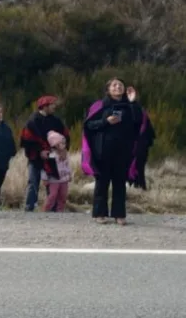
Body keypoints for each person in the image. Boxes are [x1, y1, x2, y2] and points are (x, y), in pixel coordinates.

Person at [82, 78, 145, 225]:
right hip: (103, 150)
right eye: (114, 85)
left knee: (119, 183)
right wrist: (106, 121)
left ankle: (119, 214)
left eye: (121, 85)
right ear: (108, 89)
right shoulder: (100, 106)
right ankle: (99, 213)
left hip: (123, 151)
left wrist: (133, 102)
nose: (118, 87)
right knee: (102, 183)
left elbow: (140, 123)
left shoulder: (130, 106)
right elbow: (89, 125)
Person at [19, 95, 70, 212]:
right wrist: (39, 151)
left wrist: (63, 150)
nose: (54, 107)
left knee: (53, 183)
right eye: (52, 104)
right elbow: (27, 140)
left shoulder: (56, 121)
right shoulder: (32, 120)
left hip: (54, 158)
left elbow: (65, 136)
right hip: (35, 158)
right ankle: (29, 207)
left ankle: (52, 208)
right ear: (44, 106)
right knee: (33, 182)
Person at [42, 131, 72, 212]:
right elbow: (46, 167)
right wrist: (44, 178)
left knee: (63, 196)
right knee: (53, 195)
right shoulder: (51, 155)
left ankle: (60, 211)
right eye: (61, 143)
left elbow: (68, 165)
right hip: (54, 179)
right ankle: (46, 210)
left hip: (64, 179)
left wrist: (69, 174)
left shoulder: (65, 154)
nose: (64, 145)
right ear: (55, 145)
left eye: (64, 143)